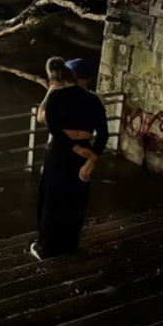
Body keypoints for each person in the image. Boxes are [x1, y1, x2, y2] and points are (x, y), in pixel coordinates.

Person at [31, 56, 109, 260]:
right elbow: (103, 134)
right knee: (76, 199)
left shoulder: (58, 96)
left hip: (60, 150)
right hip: (85, 151)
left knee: (52, 197)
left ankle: (45, 247)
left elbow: (50, 125)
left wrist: (52, 89)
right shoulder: (95, 100)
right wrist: (92, 159)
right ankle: (69, 245)